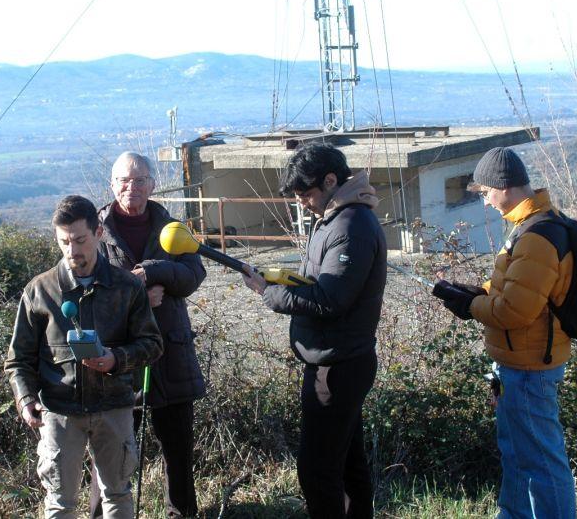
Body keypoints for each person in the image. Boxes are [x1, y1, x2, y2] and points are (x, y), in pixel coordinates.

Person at [241, 144, 387, 519]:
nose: (303, 202)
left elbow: (329, 299)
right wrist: (282, 280)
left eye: (306, 193)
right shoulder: (336, 217)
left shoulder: (351, 224)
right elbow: (320, 284)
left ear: (331, 180)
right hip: (336, 359)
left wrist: (272, 294)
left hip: (337, 367)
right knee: (348, 464)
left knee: (317, 471)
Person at [432, 147, 576, 518]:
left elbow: (515, 310)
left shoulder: (537, 235)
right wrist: (474, 293)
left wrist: (469, 306)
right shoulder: (530, 227)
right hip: (517, 364)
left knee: (542, 462)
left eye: (485, 193)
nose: (486, 201)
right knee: (518, 456)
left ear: (503, 187)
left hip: (529, 368)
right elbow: (513, 288)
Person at [4, 194, 163, 519]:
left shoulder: (126, 287)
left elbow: (152, 344)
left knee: (117, 496)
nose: (72, 250)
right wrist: (25, 399)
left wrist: (116, 359)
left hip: (114, 407)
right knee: (60, 503)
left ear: (98, 233)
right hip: (60, 413)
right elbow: (18, 359)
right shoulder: (39, 291)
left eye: (79, 240)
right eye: (64, 242)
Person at [91, 152, 206, 519]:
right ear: (112, 185)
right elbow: (82, 287)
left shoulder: (171, 226)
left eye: (140, 180)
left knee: (178, 451)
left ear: (153, 185)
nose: (132, 187)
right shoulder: (94, 231)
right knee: (110, 451)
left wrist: (154, 272)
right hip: (118, 359)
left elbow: (194, 274)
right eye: (125, 180)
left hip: (170, 354)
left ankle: (181, 514)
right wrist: (136, 294)